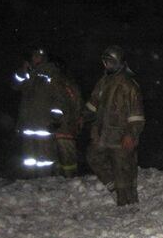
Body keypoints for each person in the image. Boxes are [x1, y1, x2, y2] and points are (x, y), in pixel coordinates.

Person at [85, 45, 145, 206]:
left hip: (121, 135)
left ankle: (128, 205)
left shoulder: (129, 85)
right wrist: (81, 118)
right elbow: (92, 105)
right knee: (93, 156)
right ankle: (113, 186)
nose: (106, 66)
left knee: (124, 170)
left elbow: (137, 115)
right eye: (105, 62)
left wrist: (131, 134)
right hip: (103, 133)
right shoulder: (103, 82)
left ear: (119, 62)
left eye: (110, 62)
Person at [11, 48, 83, 178]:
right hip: (28, 125)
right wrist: (24, 70)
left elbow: (59, 98)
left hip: (44, 124)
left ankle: (47, 182)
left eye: (38, 56)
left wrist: (56, 118)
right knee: (29, 160)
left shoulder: (51, 74)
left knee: (45, 160)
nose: (35, 59)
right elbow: (16, 85)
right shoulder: (29, 74)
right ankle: (30, 182)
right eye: (34, 56)